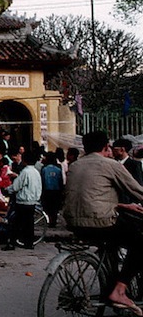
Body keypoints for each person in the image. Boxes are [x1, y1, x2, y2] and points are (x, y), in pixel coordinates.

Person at [63, 131, 143, 315]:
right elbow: (138, 191)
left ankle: (110, 288)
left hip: (74, 223)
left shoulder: (75, 165)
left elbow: (90, 195)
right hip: (101, 222)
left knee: (112, 247)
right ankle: (120, 290)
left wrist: (121, 205)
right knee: (140, 241)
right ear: (106, 146)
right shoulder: (110, 164)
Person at [2, 151, 42, 251]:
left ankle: (12, 243)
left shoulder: (25, 172)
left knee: (15, 223)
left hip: (23, 201)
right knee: (29, 223)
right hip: (33, 201)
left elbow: (16, 186)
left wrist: (7, 190)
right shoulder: (36, 172)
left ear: (25, 160)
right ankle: (29, 243)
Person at [40, 152, 64, 228]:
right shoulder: (58, 169)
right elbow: (61, 181)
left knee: (48, 207)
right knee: (55, 207)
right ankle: (53, 220)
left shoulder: (44, 169)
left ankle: (49, 220)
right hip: (56, 191)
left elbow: (42, 181)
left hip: (47, 191)